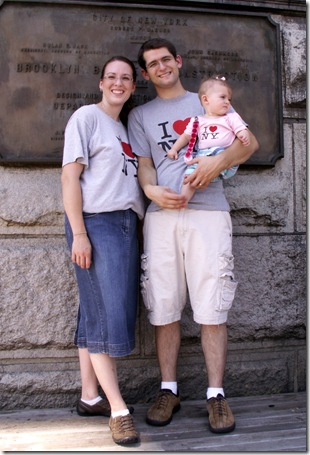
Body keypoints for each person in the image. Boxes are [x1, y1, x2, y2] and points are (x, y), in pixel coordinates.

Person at [128, 38, 259, 434]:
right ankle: (169, 390)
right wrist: (150, 191)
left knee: (212, 305)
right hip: (161, 218)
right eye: (152, 64)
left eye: (166, 59)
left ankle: (216, 395)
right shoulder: (141, 115)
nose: (161, 67)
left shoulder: (207, 100)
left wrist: (216, 164)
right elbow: (145, 167)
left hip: (209, 212)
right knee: (163, 305)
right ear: (146, 73)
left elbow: (248, 143)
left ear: (178, 61)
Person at [61, 55, 145, 445]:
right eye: (111, 77)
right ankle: (118, 409)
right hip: (97, 223)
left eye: (125, 78)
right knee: (106, 316)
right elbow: (69, 176)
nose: (118, 83)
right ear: (101, 82)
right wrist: (79, 233)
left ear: (132, 86)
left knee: (95, 308)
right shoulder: (86, 118)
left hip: (127, 224)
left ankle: (89, 395)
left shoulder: (123, 126)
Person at [167, 75, 250, 202]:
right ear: (206, 100)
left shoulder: (231, 117)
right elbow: (185, 137)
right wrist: (174, 149)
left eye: (229, 99)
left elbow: (240, 128)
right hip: (203, 156)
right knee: (190, 176)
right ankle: (183, 199)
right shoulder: (197, 121)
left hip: (223, 155)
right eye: (223, 97)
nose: (227, 102)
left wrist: (243, 134)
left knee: (200, 174)